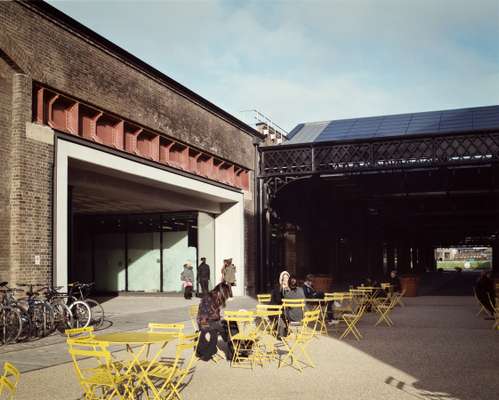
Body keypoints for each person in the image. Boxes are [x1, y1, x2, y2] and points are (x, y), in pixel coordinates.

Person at [196, 282, 232, 361]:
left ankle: (230, 345)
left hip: (210, 321)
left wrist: (219, 318)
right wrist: (206, 329)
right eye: (224, 296)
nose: (224, 298)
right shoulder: (208, 299)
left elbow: (214, 314)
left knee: (225, 326)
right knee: (221, 329)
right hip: (204, 323)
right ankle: (230, 346)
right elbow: (203, 317)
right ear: (219, 292)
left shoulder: (215, 298)